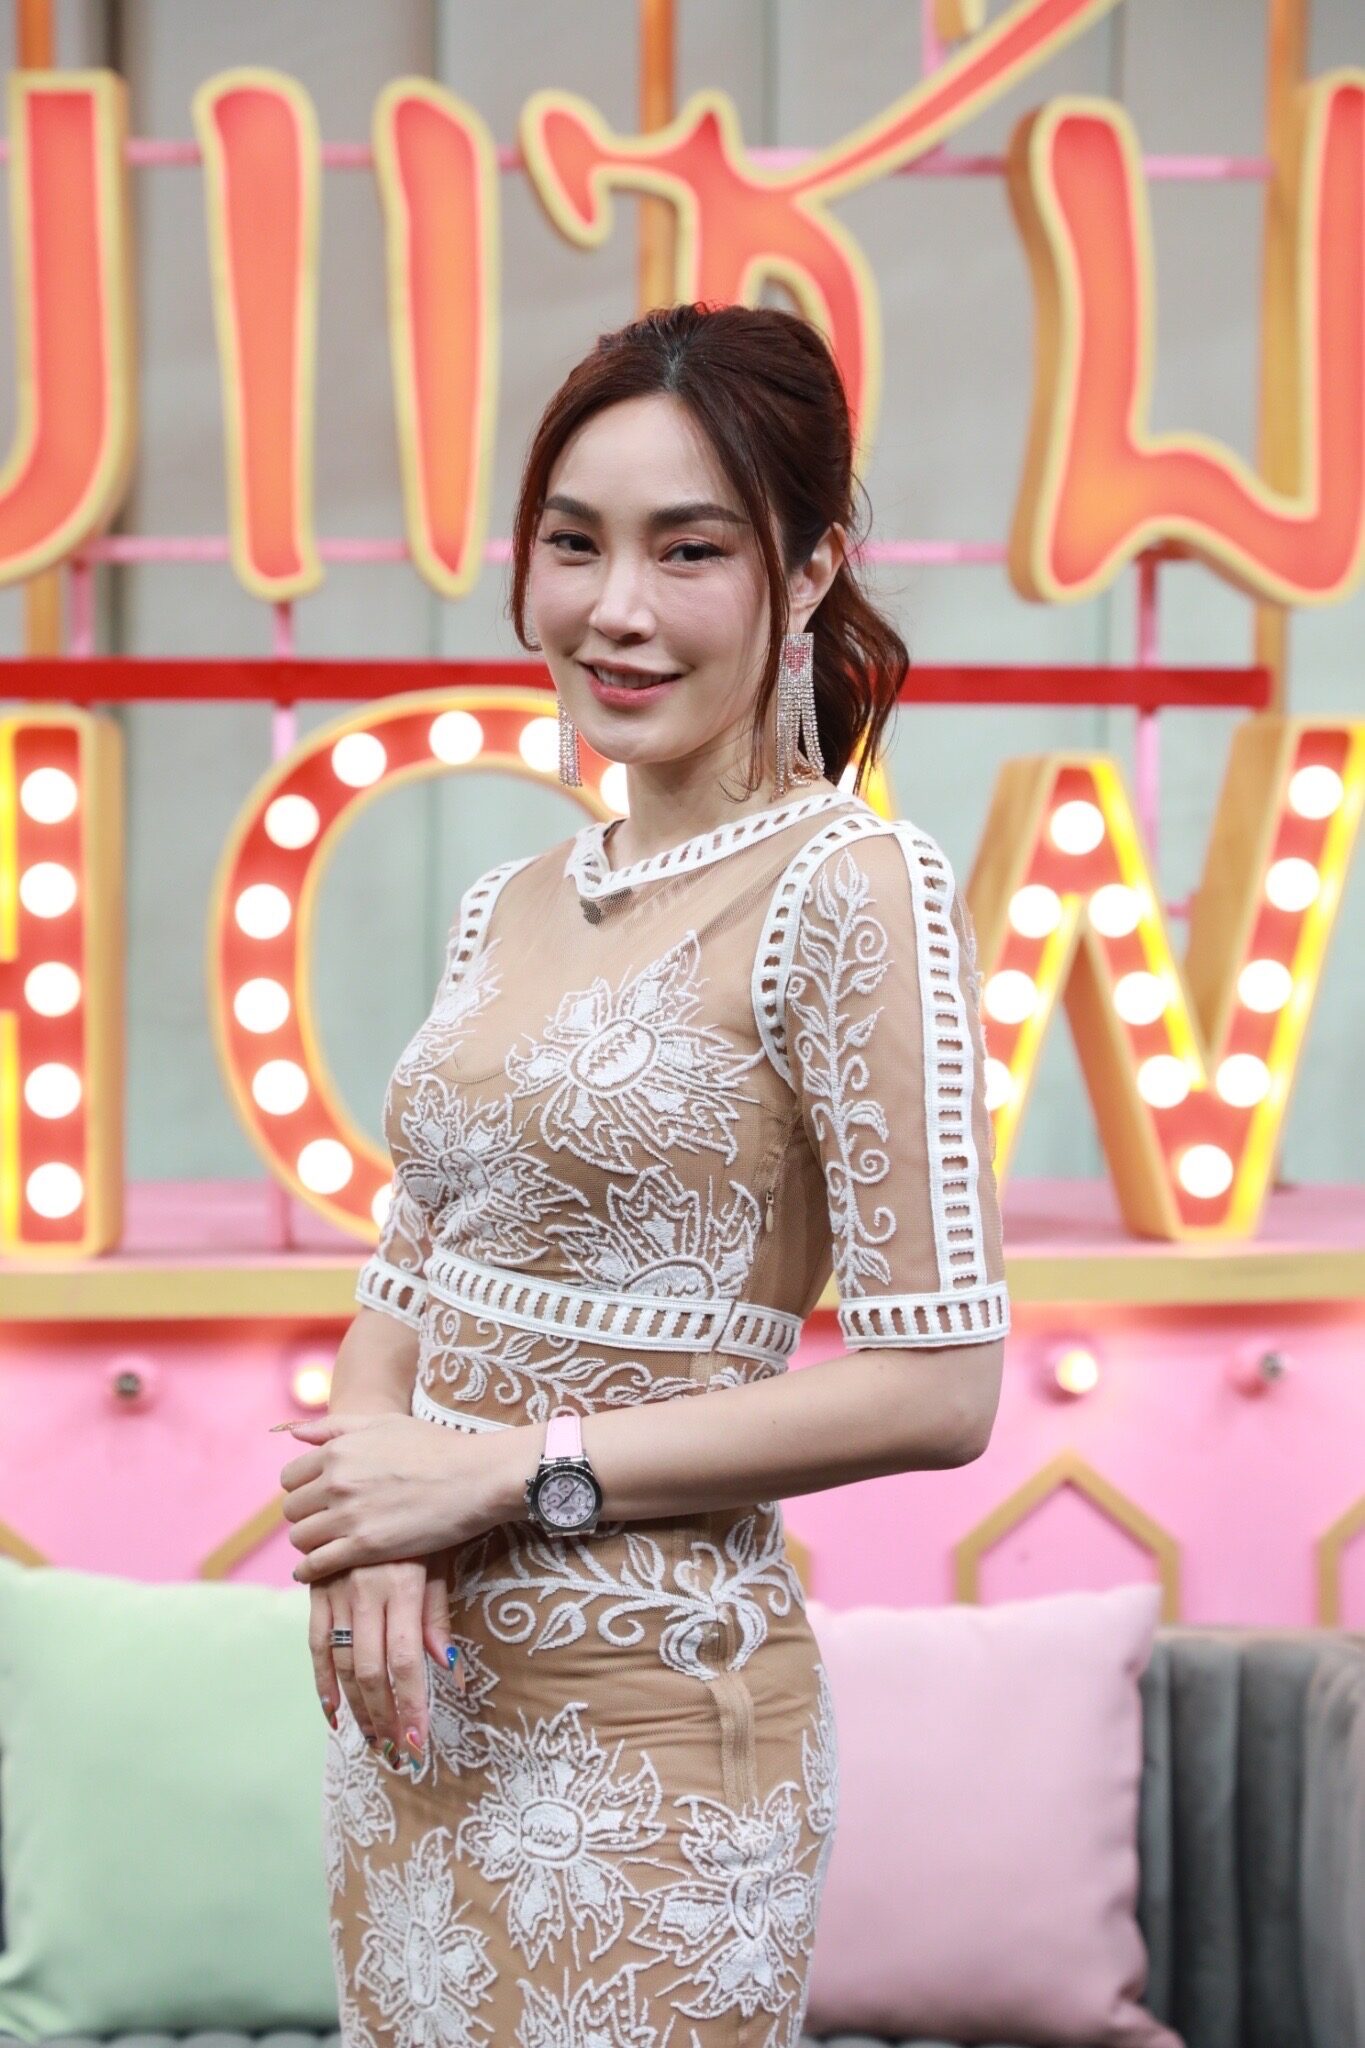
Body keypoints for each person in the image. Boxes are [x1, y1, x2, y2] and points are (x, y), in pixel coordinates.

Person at [276, 300, 1008, 2048]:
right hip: (421, 1730)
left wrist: (489, 1477)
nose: (614, 608)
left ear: (807, 570)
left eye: (688, 550)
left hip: (657, 1745)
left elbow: (940, 1388)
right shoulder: (504, 903)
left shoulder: (855, 888)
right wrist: (371, 1526)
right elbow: (408, 1276)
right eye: (571, 543)